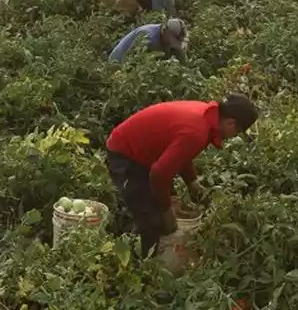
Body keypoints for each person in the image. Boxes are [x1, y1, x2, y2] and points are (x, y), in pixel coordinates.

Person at [105, 94, 260, 256]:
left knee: (163, 200)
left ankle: (140, 237)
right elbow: (159, 174)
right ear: (231, 123)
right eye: (237, 132)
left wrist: (192, 182)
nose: (233, 136)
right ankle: (140, 268)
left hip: (146, 154)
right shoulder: (197, 131)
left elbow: (181, 153)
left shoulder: (206, 115)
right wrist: (167, 210)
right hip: (126, 154)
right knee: (152, 221)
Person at [109, 19, 188, 63]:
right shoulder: (148, 37)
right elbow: (130, 60)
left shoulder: (164, 36)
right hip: (118, 63)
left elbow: (180, 56)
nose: (171, 44)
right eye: (172, 40)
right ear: (165, 30)